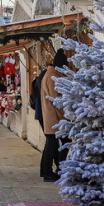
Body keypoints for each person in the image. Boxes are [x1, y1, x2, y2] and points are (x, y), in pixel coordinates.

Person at [40, 49, 69, 182]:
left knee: (51, 145)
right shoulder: (53, 77)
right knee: (61, 144)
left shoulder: (51, 74)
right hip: (55, 118)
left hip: (52, 118)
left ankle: (47, 171)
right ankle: (53, 171)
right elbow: (56, 99)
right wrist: (67, 114)